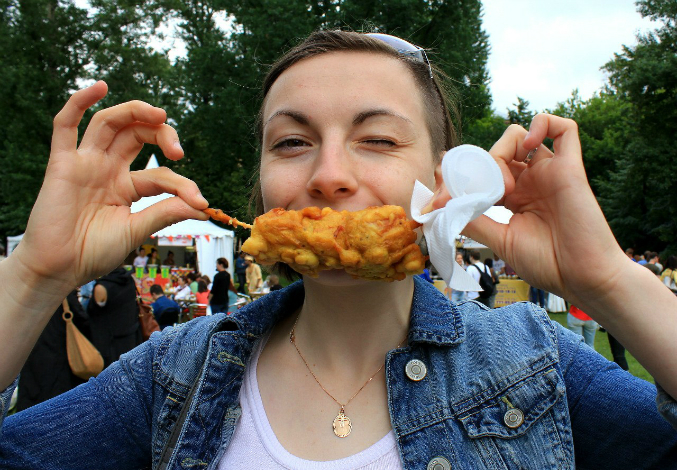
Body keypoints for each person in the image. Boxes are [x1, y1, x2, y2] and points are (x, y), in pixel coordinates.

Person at [1, 30, 677, 470]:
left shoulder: (534, 363)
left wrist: (608, 280)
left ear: (442, 179)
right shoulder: (170, 374)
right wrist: (34, 275)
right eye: (292, 142)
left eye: (377, 139)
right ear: (264, 184)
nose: (328, 174)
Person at [16, 290, 90, 411]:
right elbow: (81, 319)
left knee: (32, 394)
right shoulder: (63, 290)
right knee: (57, 398)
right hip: (59, 350)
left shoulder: (26, 291)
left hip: (31, 350)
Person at [87, 266, 143, 367]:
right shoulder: (128, 279)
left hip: (109, 345)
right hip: (131, 340)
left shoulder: (102, 287)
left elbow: (93, 315)